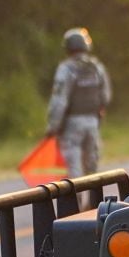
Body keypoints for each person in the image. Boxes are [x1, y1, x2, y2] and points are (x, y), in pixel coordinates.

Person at [46, 27, 111, 177]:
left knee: (73, 166)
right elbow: (105, 96)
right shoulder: (96, 68)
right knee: (92, 164)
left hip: (72, 124)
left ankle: (77, 200)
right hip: (93, 121)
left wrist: (53, 127)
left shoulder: (66, 69)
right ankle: (95, 199)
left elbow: (59, 101)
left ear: (68, 47)